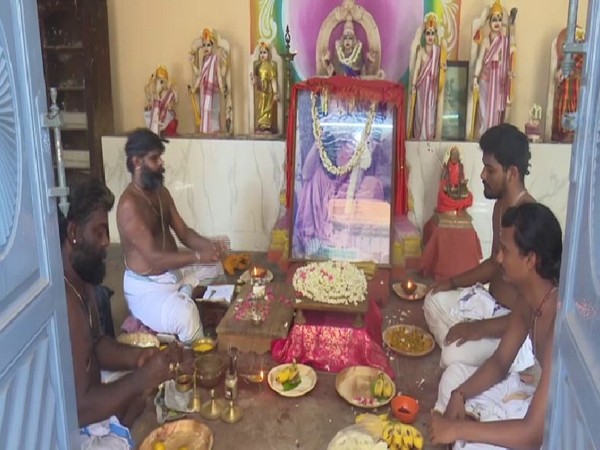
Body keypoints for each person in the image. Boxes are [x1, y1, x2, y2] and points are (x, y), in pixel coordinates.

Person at [59, 175, 192, 449]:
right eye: (99, 232)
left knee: (142, 394)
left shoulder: (82, 282)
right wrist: (139, 379)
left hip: (88, 396)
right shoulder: (63, 301)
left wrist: (139, 357)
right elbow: (79, 409)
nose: (107, 242)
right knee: (138, 397)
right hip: (68, 424)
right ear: (73, 233)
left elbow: (95, 346)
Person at [429, 202, 562, 449]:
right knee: (453, 377)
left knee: (477, 445)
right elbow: (500, 361)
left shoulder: (558, 322)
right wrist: (461, 394)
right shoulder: (528, 298)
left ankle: (459, 435)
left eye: (505, 250)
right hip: (529, 394)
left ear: (530, 259)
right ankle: (460, 432)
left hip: (551, 427)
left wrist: (458, 428)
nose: (498, 258)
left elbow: (532, 435)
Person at [424, 124, 535, 371]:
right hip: (489, 305)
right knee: (432, 299)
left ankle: (487, 362)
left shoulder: (529, 221)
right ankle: (473, 357)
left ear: (512, 172)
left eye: (490, 169)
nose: (483, 175)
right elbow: (493, 264)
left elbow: (529, 314)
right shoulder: (501, 207)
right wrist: (451, 283)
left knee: (451, 357)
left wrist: (477, 328)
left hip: (513, 329)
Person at [116, 129, 228, 343]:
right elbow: (155, 258)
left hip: (174, 274)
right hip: (148, 289)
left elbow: (184, 232)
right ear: (137, 161)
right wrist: (197, 256)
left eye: (160, 157)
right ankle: (195, 357)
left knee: (215, 267)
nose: (161, 164)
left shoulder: (161, 193)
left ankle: (187, 294)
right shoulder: (129, 206)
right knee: (186, 315)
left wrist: (210, 248)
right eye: (154, 159)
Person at [293, 135, 384, 259]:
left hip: (351, 245)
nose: (342, 155)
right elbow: (305, 174)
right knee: (313, 181)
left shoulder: (368, 184)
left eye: (347, 151)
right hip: (323, 241)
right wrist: (316, 146)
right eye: (340, 149)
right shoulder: (322, 178)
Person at [472, 0, 514, 137]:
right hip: (486, 78)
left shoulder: (505, 41)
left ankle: (494, 136)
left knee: (496, 110)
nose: (497, 22)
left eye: (499, 19)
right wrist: (475, 78)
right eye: (494, 19)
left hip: (499, 81)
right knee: (484, 110)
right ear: (489, 22)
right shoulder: (485, 41)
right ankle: (485, 135)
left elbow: (508, 60)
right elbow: (479, 60)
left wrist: (508, 74)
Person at [410, 13, 446, 140]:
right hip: (421, 87)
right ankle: (419, 135)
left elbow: (441, 68)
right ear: (424, 35)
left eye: (432, 33)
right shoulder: (421, 51)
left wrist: (443, 67)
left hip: (432, 87)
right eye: (428, 33)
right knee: (420, 112)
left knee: (431, 113)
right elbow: (416, 70)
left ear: (435, 35)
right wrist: (414, 85)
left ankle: (429, 136)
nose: (430, 36)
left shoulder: (438, 51)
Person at [190, 28, 227, 134]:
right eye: (204, 45)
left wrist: (221, 87)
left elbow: (219, 75)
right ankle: (206, 129)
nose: (206, 48)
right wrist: (194, 88)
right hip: (204, 91)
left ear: (213, 46)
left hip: (213, 90)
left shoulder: (215, 58)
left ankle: (214, 128)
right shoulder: (203, 60)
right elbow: (200, 76)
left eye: (208, 45)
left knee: (214, 110)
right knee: (205, 109)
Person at [551, 27, 585, 143]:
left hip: (575, 117)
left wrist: (570, 72)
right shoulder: (563, 64)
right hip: (562, 119)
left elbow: (580, 73)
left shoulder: (582, 60)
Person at [251, 40, 279, 134]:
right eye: (261, 53)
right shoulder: (259, 66)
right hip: (261, 92)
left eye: (265, 52)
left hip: (268, 92)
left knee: (267, 108)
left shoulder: (270, 67)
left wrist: (275, 92)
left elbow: (273, 80)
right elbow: (257, 79)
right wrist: (255, 80)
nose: (262, 55)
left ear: (269, 54)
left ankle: (266, 126)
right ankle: (261, 125)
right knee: (260, 108)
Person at [143, 65, 178, 136]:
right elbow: (150, 99)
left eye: (162, 81)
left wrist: (175, 94)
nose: (160, 83)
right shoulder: (154, 93)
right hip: (155, 119)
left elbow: (173, 103)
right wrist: (155, 92)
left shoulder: (169, 93)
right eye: (159, 81)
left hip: (165, 119)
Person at [436, 146, 473, 213]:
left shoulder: (460, 166)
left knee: (469, 196)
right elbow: (442, 179)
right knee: (442, 196)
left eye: (456, 155)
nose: (454, 156)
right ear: (449, 155)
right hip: (448, 188)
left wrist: (463, 183)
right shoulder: (446, 166)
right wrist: (445, 187)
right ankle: (452, 207)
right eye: (453, 154)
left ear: (459, 156)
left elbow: (462, 177)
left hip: (458, 188)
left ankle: (458, 207)